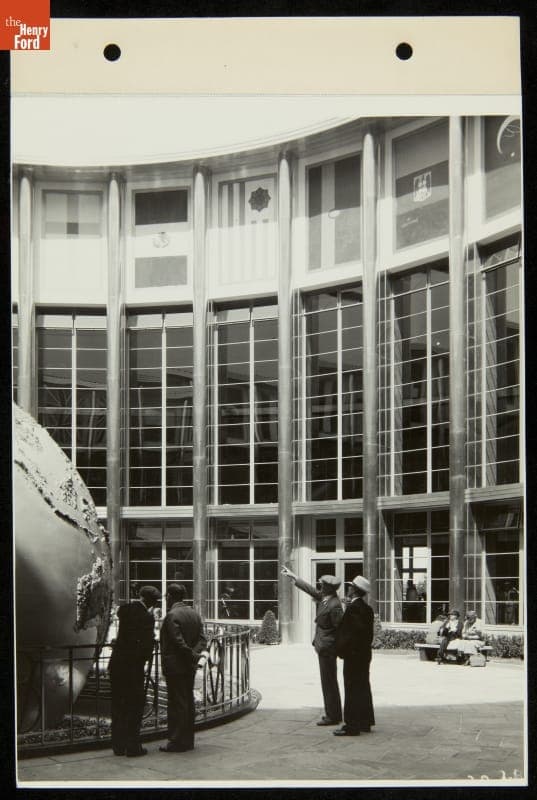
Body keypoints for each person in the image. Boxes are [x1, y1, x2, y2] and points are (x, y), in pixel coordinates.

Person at [281, 566, 343, 726]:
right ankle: (333, 713)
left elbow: (339, 629)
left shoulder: (334, 604)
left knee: (329, 682)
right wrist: (293, 576)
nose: (320, 586)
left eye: (322, 584)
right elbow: (310, 590)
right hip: (323, 647)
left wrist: (336, 648)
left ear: (328, 588)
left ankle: (333, 716)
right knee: (327, 681)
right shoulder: (325, 598)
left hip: (328, 648)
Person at [108, 584, 160, 757]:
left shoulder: (124, 610)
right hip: (133, 668)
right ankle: (132, 746)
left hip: (117, 664)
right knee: (134, 706)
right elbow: (145, 647)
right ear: (151, 601)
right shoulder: (147, 617)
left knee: (118, 704)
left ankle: (118, 745)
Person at [159, 583, 209, 753]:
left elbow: (178, 642)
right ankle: (187, 740)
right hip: (189, 666)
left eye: (166, 596)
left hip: (175, 667)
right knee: (187, 701)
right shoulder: (194, 614)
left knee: (176, 703)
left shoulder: (171, 616)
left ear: (169, 596)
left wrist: (192, 656)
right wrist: (194, 656)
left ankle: (176, 741)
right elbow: (202, 640)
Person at [333, 575, 375, 737]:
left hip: (353, 655)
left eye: (350, 586)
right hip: (364, 654)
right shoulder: (367, 609)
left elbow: (350, 634)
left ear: (355, 590)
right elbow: (366, 634)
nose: (348, 588)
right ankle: (365, 721)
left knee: (351, 688)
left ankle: (351, 725)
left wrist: (342, 650)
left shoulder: (353, 609)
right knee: (363, 686)